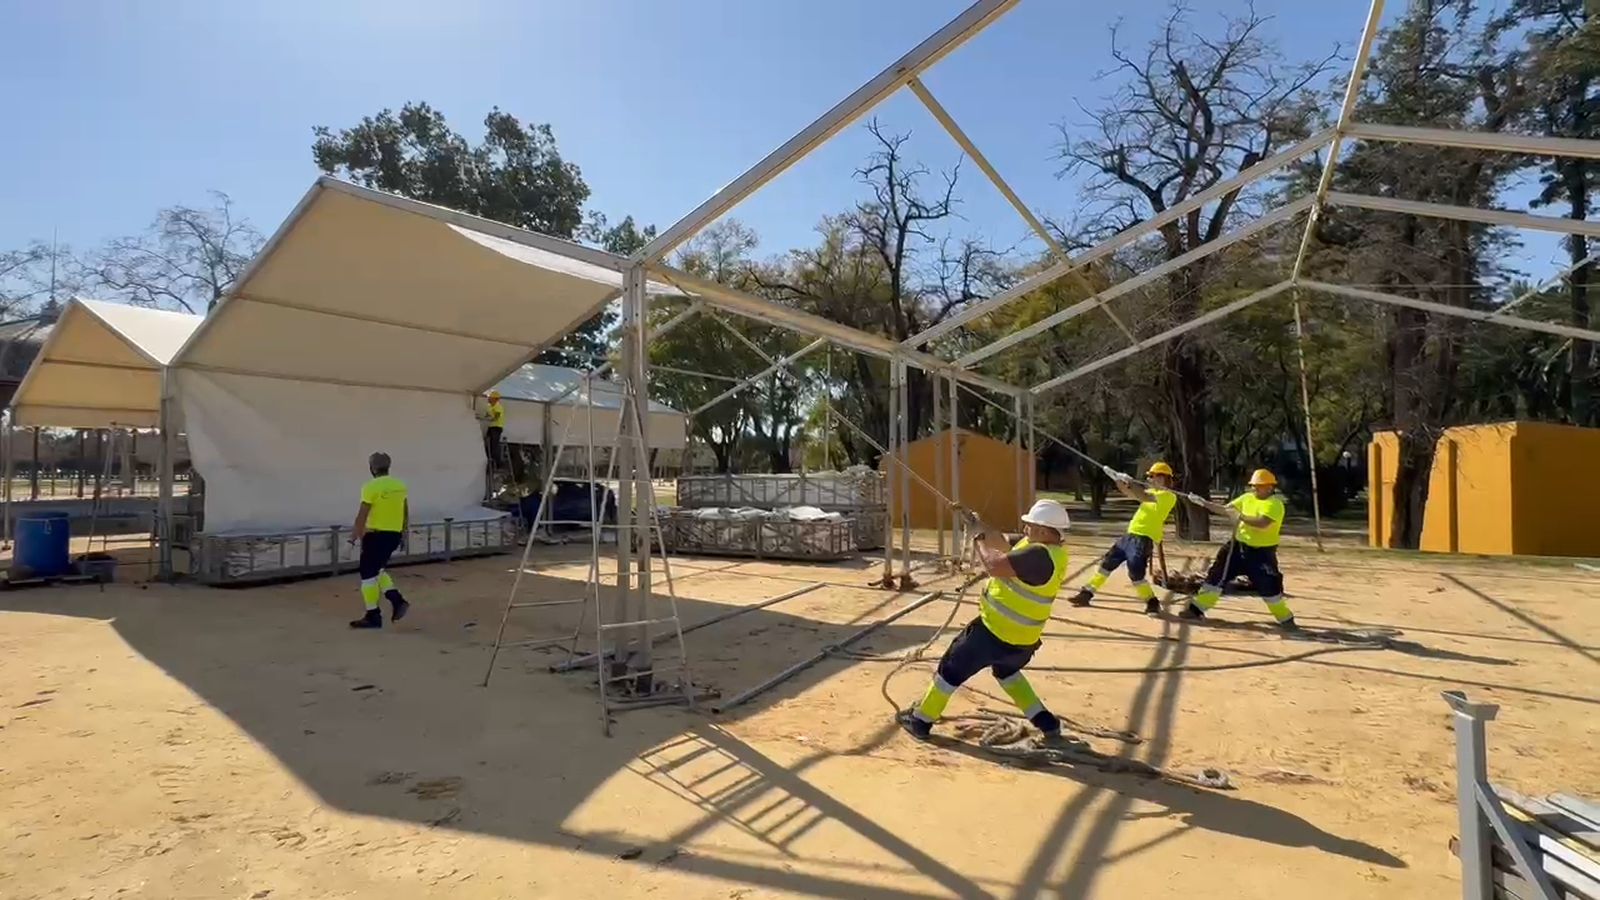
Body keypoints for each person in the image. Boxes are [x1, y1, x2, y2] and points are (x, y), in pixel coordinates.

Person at [900, 499, 1073, 742]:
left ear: (1043, 531)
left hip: (993, 634)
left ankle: (920, 721)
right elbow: (1001, 540)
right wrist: (975, 521)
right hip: (1022, 641)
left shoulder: (1038, 554)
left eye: (1030, 525)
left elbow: (994, 565)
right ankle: (1047, 723)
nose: (1025, 529)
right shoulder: (1046, 549)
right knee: (1007, 674)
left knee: (949, 671)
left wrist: (978, 538)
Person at [1179, 468, 1297, 630]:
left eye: (1259, 485)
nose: (1255, 488)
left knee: (1269, 585)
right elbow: (1226, 510)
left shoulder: (1275, 505)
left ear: (1270, 487)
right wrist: (1202, 502)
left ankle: (1285, 619)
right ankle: (1196, 609)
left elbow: (1262, 523)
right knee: (1217, 575)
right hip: (1236, 547)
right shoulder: (1247, 498)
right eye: (1254, 485)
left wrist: (1240, 517)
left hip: (1261, 553)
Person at [1068, 461, 1179, 616]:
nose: (1151, 479)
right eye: (1151, 477)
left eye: (1156, 477)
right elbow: (1129, 493)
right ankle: (1086, 593)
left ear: (1166, 479)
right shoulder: (1150, 492)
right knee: (1107, 564)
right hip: (1129, 535)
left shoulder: (1168, 496)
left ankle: (1152, 602)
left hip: (1143, 539)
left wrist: (1131, 482)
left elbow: (1141, 495)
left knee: (1135, 573)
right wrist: (1118, 479)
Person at [349, 451, 411, 629]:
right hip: (393, 534)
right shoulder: (400, 485)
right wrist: (404, 533)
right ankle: (396, 600)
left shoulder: (370, 487)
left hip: (375, 535)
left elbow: (362, 515)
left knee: (368, 575)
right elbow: (405, 511)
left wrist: (352, 539)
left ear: (372, 468)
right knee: (378, 570)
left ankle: (373, 614)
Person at [481, 390, 507, 469]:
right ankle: (490, 461)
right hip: (491, 427)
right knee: (488, 444)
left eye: (490, 398)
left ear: (495, 399)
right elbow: (487, 415)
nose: (489, 399)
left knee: (494, 446)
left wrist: (488, 419)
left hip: (497, 427)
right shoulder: (490, 406)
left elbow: (496, 417)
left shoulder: (498, 406)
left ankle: (498, 463)